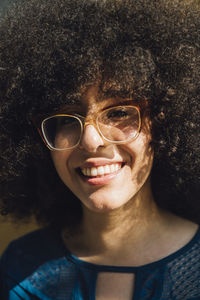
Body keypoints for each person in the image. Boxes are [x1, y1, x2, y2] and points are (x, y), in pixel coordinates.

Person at [0, 0, 200, 299]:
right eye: (68, 120)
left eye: (118, 112)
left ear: (163, 120)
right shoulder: (22, 268)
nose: (92, 141)